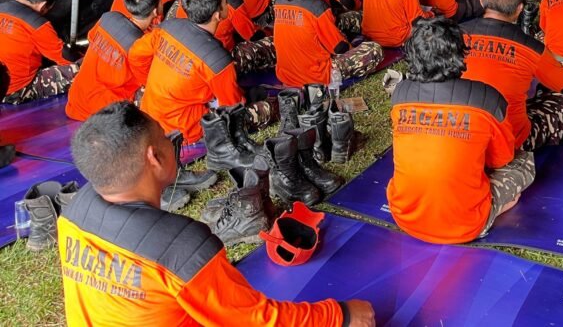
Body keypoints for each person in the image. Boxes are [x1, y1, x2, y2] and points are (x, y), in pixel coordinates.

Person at [60, 101, 375, 326]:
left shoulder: (71, 214)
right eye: (167, 139)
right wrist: (341, 316)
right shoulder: (181, 248)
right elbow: (256, 321)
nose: (175, 145)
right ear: (154, 157)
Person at [387, 18, 535, 244]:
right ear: (460, 54)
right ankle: (494, 208)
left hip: (405, 216)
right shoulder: (488, 98)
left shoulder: (399, 95)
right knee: (524, 162)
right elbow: (501, 159)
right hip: (466, 225)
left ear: (413, 55)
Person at [130, 0, 276, 143]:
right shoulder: (218, 60)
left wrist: (148, 81)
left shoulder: (167, 27)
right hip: (186, 130)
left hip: (152, 114)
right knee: (266, 109)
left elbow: (135, 55)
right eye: (225, 2)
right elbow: (232, 107)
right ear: (217, 15)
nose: (227, 4)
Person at [461, 0, 563, 151]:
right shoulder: (530, 48)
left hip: (457, 134)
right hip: (508, 141)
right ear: (519, 9)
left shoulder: (453, 36)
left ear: (481, 0)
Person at [273, 0, 382, 88]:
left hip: (285, 74)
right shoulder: (317, 6)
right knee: (374, 49)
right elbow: (339, 48)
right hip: (315, 76)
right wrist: (352, 48)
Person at [66, 0, 161, 121]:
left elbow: (91, 37)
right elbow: (148, 80)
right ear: (154, 11)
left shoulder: (108, 17)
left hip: (76, 101)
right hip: (105, 114)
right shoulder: (141, 45)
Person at [0, 0, 79, 104]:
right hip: (14, 91)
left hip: (2, 84)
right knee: (81, 69)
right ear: (43, 5)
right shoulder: (37, 24)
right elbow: (63, 58)